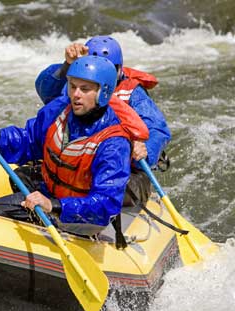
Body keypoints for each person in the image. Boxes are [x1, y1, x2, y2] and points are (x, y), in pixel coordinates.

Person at [0, 55, 145, 237]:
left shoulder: (114, 143)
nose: (76, 95)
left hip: (82, 217)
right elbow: (29, 140)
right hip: (55, 194)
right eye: (73, 86)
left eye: (85, 89)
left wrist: (55, 206)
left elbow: (106, 203)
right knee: (22, 176)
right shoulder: (59, 111)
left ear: (102, 93)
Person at [35, 35, 172, 206]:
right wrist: (67, 66)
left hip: (115, 166)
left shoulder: (133, 93)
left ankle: (85, 208)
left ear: (119, 70)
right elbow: (47, 92)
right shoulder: (80, 83)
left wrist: (144, 149)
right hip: (80, 161)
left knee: (121, 185)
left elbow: (157, 129)